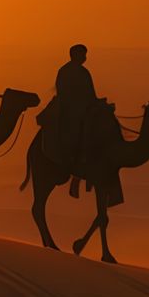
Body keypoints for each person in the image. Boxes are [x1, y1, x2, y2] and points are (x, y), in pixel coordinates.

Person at [55, 43, 98, 197]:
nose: (84, 57)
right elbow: (64, 95)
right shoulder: (67, 72)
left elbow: (91, 95)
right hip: (71, 114)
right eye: (82, 54)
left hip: (82, 111)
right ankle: (80, 174)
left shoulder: (81, 72)